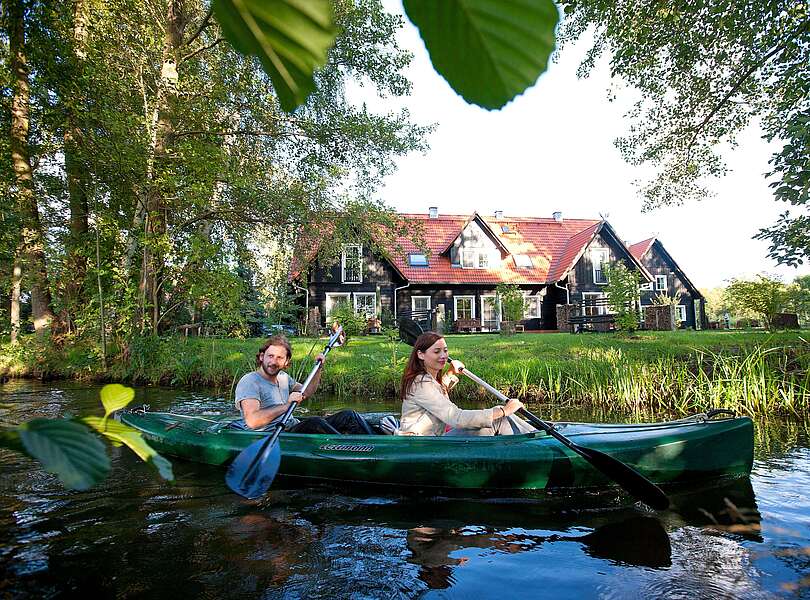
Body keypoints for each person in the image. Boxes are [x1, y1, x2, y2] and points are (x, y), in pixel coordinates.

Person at [397, 331, 534, 436]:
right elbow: (456, 418)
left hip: (435, 438)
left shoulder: (426, 379)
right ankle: (536, 443)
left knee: (500, 415)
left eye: (445, 350)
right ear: (421, 354)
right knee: (499, 417)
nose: (443, 356)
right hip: (423, 444)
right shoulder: (421, 383)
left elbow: (437, 394)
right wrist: (505, 410)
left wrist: (450, 373)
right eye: (437, 351)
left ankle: (535, 437)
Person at [233, 335, 372, 434]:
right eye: (270, 356)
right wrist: (287, 406)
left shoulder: (283, 378)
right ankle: (347, 448)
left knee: (348, 416)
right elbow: (252, 421)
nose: (274, 362)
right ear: (262, 357)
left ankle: (378, 443)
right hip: (273, 434)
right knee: (315, 423)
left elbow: (306, 392)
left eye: (279, 358)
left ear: (286, 362)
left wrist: (318, 369)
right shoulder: (250, 381)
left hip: (291, 426)